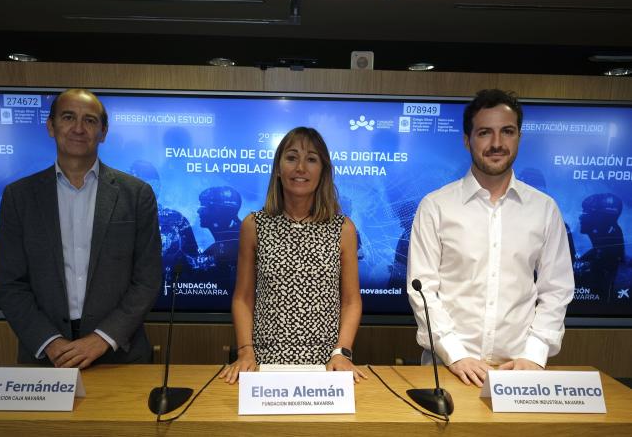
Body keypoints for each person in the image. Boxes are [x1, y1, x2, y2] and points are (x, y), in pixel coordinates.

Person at [407, 89, 574, 387]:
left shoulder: (544, 209)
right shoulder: (436, 207)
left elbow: (557, 290)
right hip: (448, 370)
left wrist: (534, 355)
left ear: (519, 137)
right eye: (485, 132)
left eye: (507, 132)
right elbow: (422, 291)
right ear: (466, 139)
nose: (497, 143)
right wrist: (456, 355)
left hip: (520, 371)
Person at [0, 89, 162, 368]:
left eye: (90, 121)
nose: (79, 129)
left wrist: (102, 338)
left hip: (118, 354)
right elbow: (9, 283)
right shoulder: (19, 197)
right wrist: (49, 341)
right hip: (47, 357)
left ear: (103, 132)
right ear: (51, 126)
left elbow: (148, 279)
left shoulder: (136, 194)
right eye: (68, 117)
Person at [219, 127, 366, 384]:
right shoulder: (254, 225)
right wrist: (245, 352)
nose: (300, 168)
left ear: (323, 171)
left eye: (311, 159)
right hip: (263, 366)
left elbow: (351, 301)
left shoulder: (344, 229)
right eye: (291, 157)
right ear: (278, 168)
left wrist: (342, 353)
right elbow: (243, 298)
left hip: (327, 367)